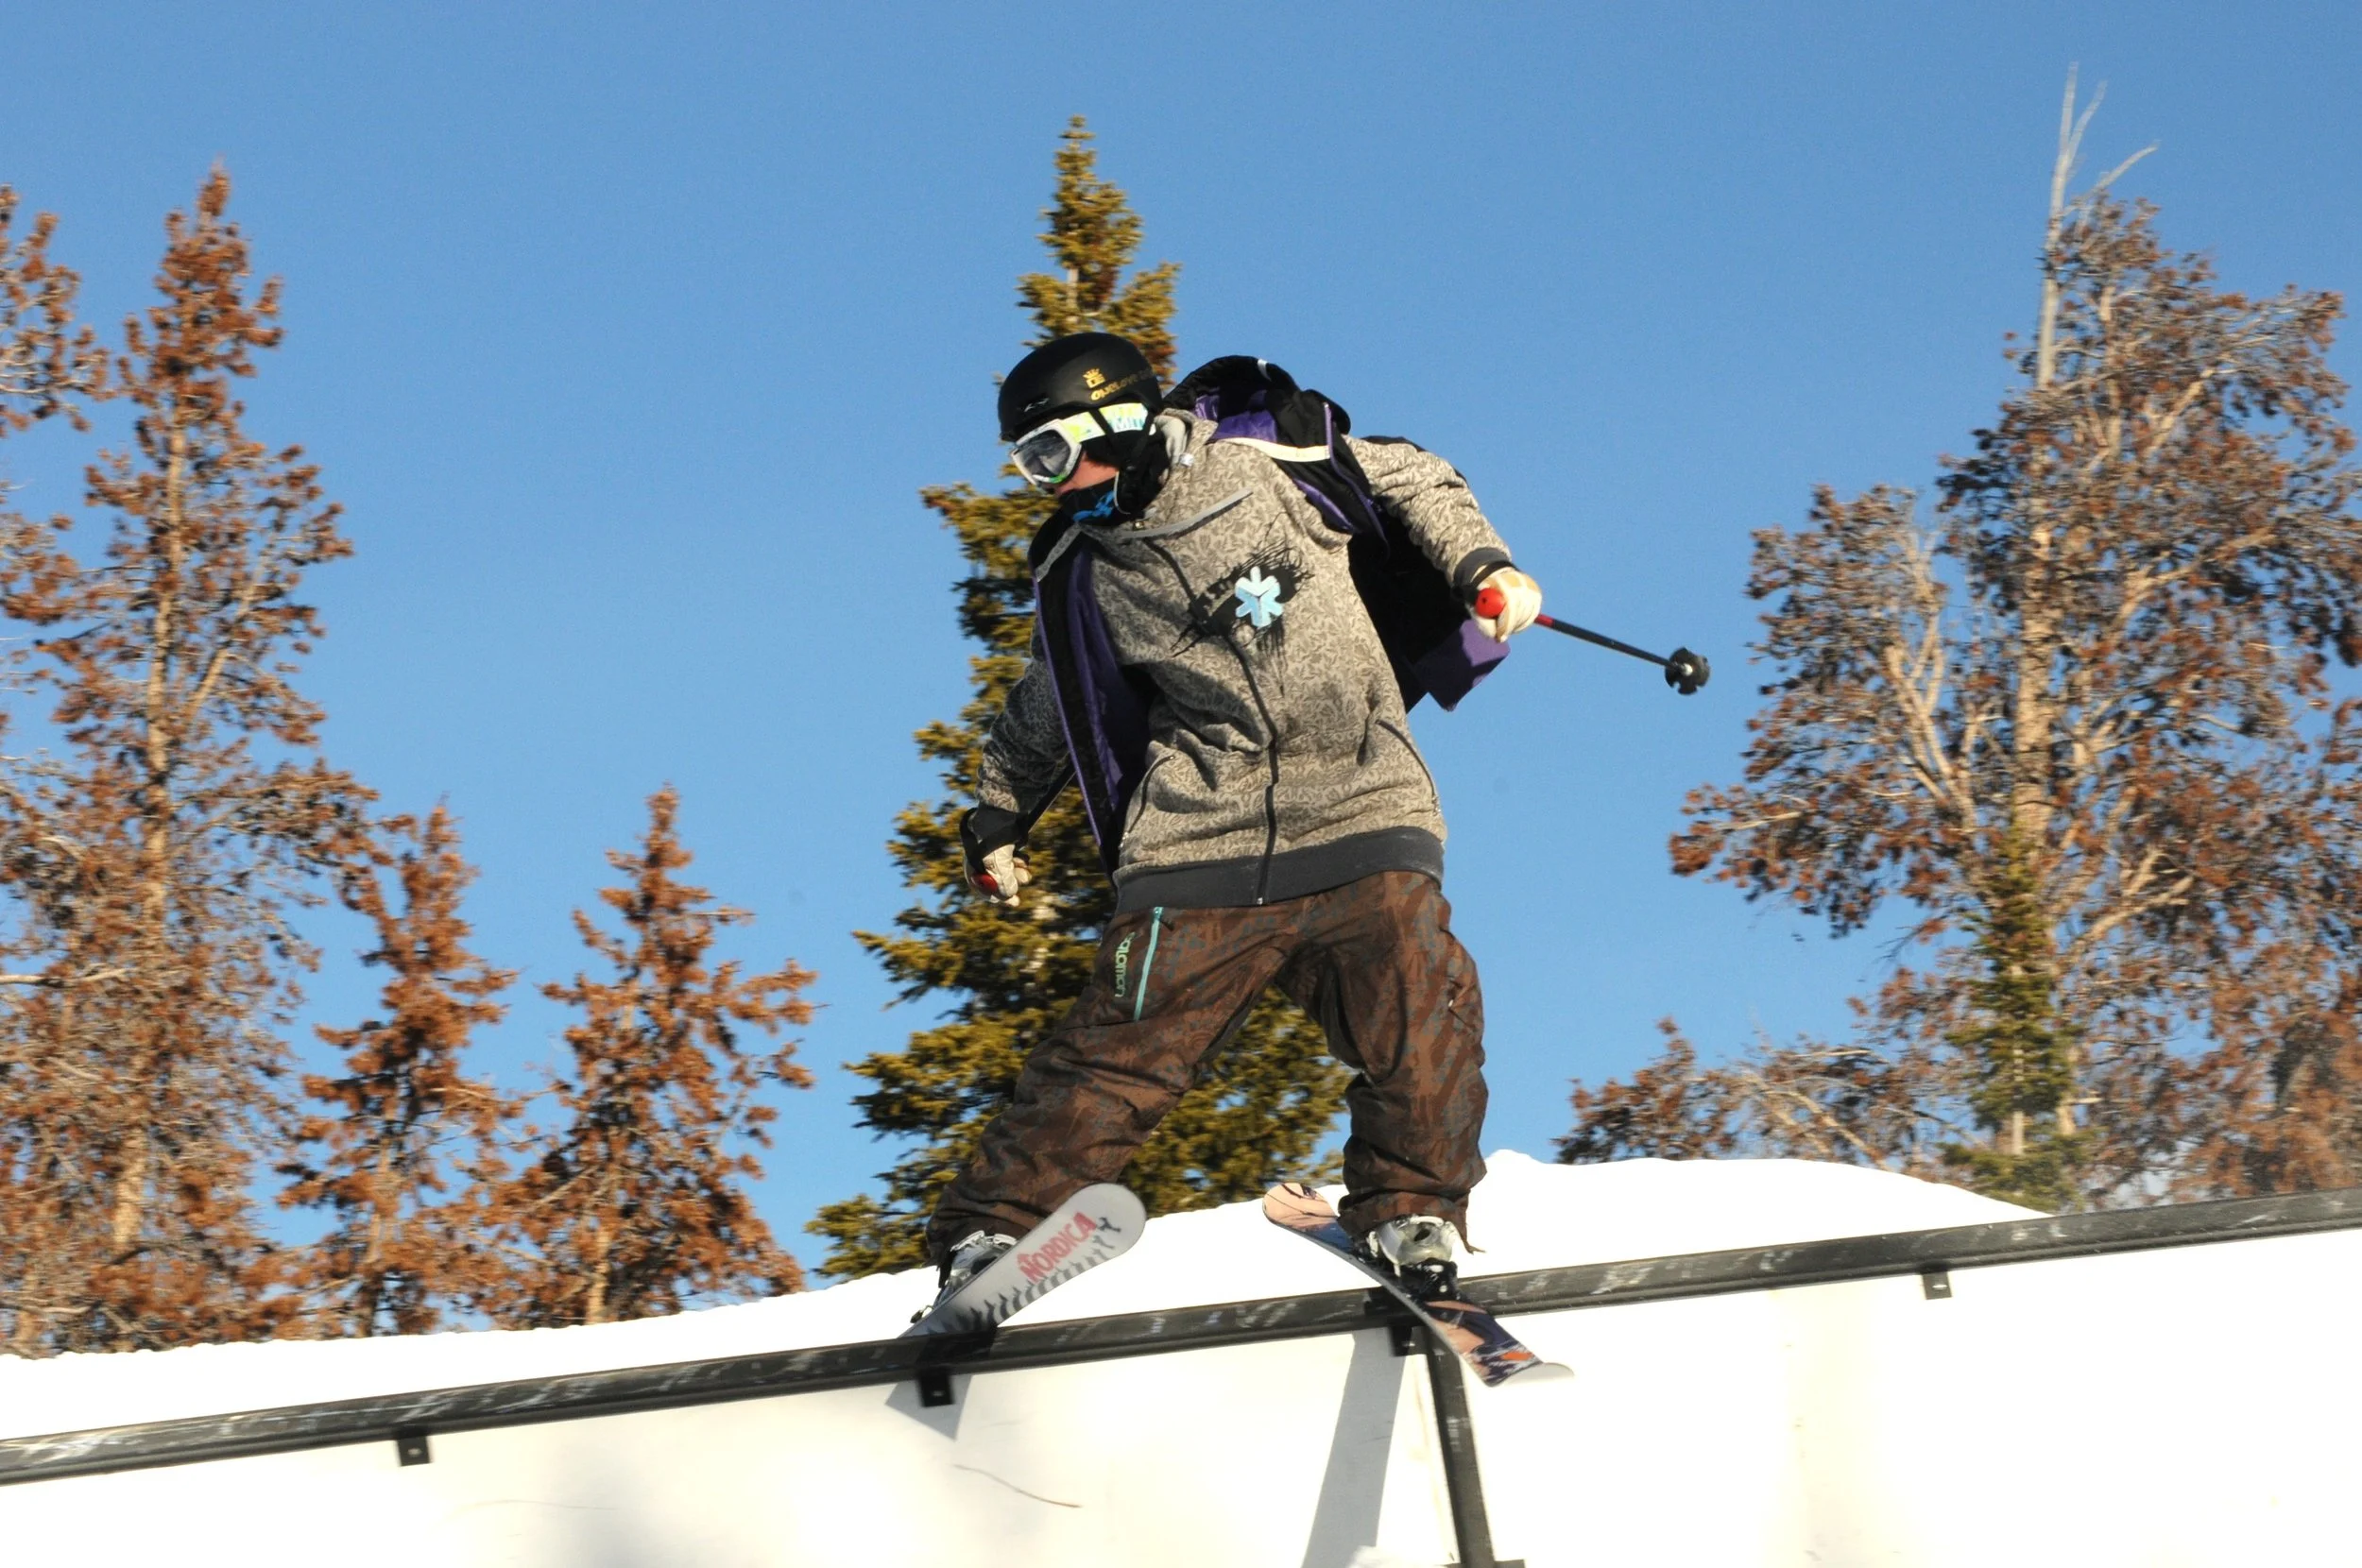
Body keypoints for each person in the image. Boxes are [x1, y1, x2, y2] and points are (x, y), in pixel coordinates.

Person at [929, 331, 1544, 1304]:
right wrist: (998, 810)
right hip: (1197, 840)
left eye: (1050, 454)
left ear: (1119, 423)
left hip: (1360, 807)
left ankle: (1411, 1206)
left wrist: (1482, 566)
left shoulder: (1269, 462)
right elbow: (1052, 695)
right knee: (1112, 1055)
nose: (1047, 485)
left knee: (1423, 1016)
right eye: (1027, 466)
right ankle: (992, 1233)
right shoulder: (1086, 565)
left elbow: (1410, 476)